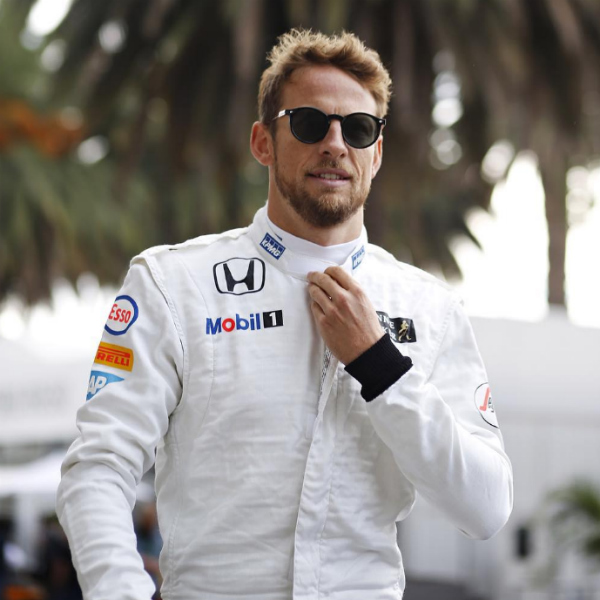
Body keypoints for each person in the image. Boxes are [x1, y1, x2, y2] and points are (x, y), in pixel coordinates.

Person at [57, 28, 513, 600]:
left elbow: (486, 508)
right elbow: (98, 467)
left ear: (376, 153)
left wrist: (380, 366)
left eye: (358, 128)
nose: (335, 143)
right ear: (263, 142)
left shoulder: (431, 309)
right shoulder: (173, 285)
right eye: (309, 123)